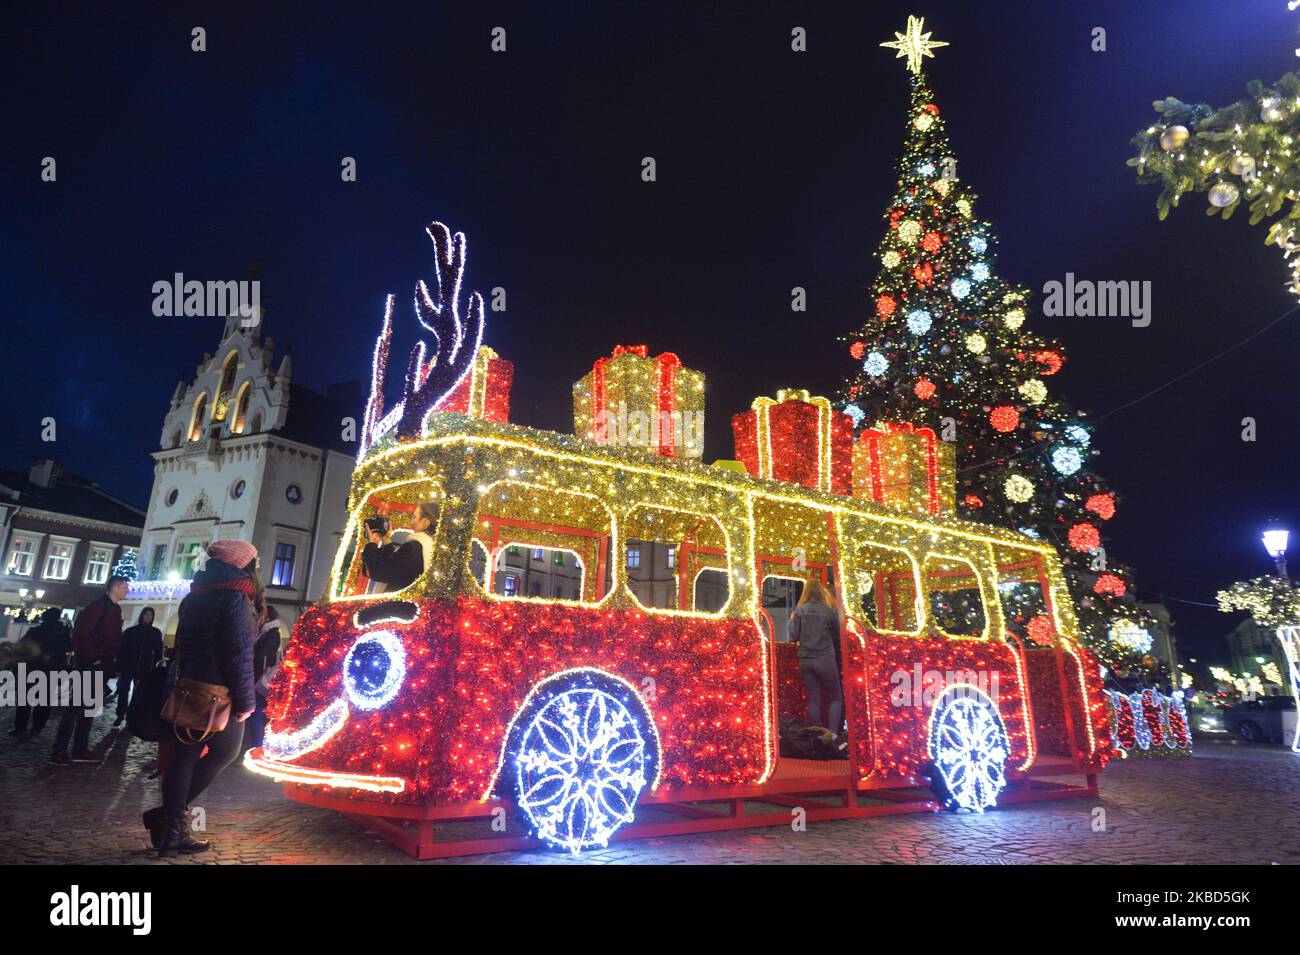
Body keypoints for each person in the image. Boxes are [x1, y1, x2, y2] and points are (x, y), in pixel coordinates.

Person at [147, 539, 258, 856]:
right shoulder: (236, 598)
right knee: (226, 752)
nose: (257, 567)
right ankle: (168, 821)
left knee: (184, 758)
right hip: (218, 694)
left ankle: (170, 830)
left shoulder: (194, 596)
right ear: (241, 564)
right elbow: (238, 655)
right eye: (254, 562)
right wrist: (246, 703)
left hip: (187, 687)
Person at [50, 576, 128, 765]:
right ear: (115, 587)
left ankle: (79, 749)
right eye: (125, 587)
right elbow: (79, 635)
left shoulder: (114, 609)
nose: (127, 590)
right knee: (75, 707)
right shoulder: (98, 607)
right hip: (89, 665)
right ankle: (59, 751)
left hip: (101, 666)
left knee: (89, 708)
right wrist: (92, 657)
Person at [788, 578, 844, 733]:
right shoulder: (828, 611)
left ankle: (816, 733)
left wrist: (791, 620)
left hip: (805, 660)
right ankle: (832, 735)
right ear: (821, 593)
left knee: (814, 698)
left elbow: (793, 636)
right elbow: (837, 634)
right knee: (835, 697)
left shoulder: (799, 611)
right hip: (825, 658)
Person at [11, 608, 71, 736]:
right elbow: (70, 647)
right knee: (44, 701)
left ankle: (20, 727)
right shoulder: (64, 633)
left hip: (32, 668)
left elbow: (21, 646)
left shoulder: (36, 631)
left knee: (25, 700)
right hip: (51, 670)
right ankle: (37, 726)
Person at [359, 502, 437, 592]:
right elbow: (396, 569)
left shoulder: (414, 548)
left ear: (425, 522)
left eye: (414, 517)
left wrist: (371, 543)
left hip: (394, 605)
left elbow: (377, 572)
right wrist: (387, 540)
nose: (411, 522)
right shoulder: (429, 547)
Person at [114, 607, 163, 726]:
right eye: (146, 614)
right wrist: (118, 665)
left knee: (138, 693)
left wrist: (155, 668)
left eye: (151, 615)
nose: (148, 617)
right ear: (142, 615)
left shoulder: (155, 633)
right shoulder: (131, 631)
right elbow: (122, 649)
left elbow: (158, 651)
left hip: (144, 668)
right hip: (127, 665)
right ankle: (120, 714)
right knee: (123, 691)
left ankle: (131, 716)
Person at [247, 602, 283, 750]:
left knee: (257, 711)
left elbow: (262, 656)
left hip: (260, 679)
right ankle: (257, 742)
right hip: (258, 677)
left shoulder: (272, 633)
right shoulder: (267, 632)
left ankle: (258, 743)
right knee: (256, 711)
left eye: (261, 615)